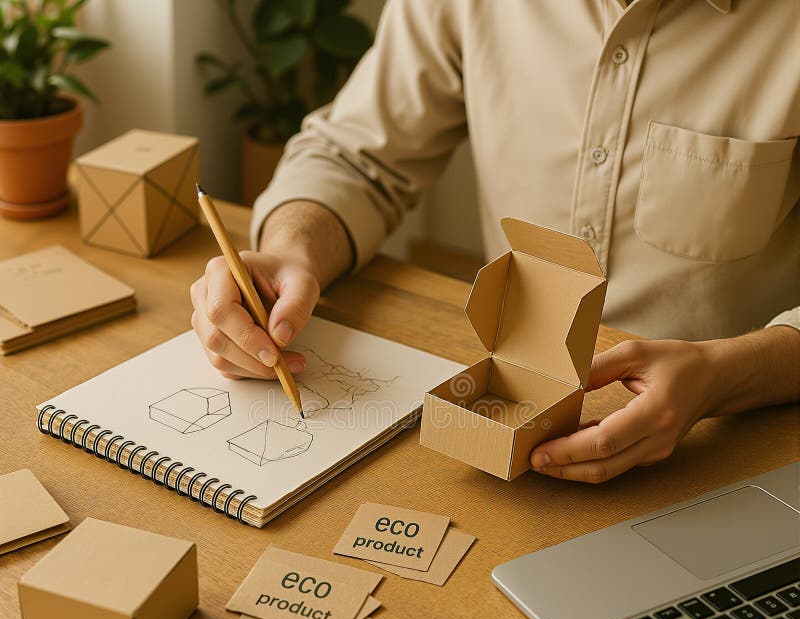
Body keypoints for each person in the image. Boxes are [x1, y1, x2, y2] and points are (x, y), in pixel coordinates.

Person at [190, 0, 799, 484]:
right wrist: (293, 251)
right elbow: (354, 156)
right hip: (500, 443)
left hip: (738, 443)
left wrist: (727, 375)